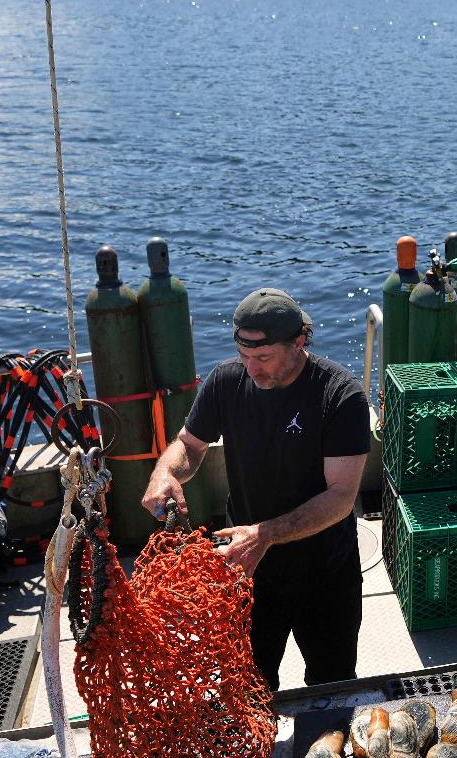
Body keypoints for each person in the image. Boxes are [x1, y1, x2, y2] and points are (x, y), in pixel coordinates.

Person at [142, 287, 369, 689]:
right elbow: (189, 447)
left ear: (299, 342)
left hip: (325, 572)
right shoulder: (226, 382)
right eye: (245, 357)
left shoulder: (340, 395)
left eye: (263, 357)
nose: (251, 368)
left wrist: (265, 534)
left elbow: (341, 497)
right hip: (248, 570)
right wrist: (166, 473)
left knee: (332, 687)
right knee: (246, 687)